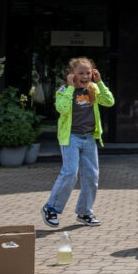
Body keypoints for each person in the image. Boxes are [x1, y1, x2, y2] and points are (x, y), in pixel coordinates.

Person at [41, 57, 114, 228]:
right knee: (70, 173)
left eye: (88, 73)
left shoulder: (93, 89)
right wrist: (70, 88)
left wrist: (100, 82)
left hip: (88, 137)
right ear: (72, 74)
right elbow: (62, 109)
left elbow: (109, 101)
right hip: (71, 138)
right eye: (80, 73)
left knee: (91, 176)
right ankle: (51, 208)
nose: (85, 76)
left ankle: (84, 212)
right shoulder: (64, 90)